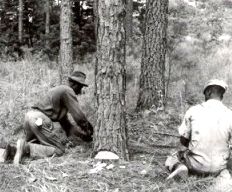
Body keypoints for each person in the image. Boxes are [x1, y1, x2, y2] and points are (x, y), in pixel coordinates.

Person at [1, 70, 94, 165]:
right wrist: (89, 129)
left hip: (30, 117)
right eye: (81, 87)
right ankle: (24, 147)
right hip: (39, 120)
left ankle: (13, 150)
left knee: (36, 145)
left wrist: (83, 137)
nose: (80, 92)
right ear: (76, 85)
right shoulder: (68, 91)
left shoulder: (59, 92)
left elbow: (68, 127)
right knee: (59, 150)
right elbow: (79, 117)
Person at [165, 79, 232, 180]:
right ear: (222, 95)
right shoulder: (229, 114)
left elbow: (183, 140)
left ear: (208, 92)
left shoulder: (193, 110)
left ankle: (180, 168)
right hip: (219, 167)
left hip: (196, 166)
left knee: (174, 156)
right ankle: (223, 175)